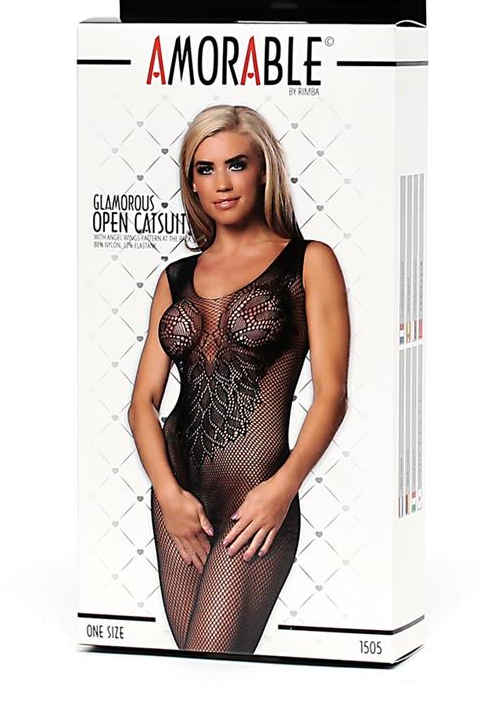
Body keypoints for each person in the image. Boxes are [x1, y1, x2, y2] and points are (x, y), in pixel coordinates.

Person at [127, 104, 350, 654]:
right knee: (197, 663)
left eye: (236, 164)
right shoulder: (176, 277)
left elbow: (332, 395)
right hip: (178, 495)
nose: (221, 183)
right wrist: (167, 493)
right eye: (205, 169)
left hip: (258, 498)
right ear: (192, 183)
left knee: (212, 654)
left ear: (264, 170)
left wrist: (284, 487)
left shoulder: (309, 262)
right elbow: (143, 403)